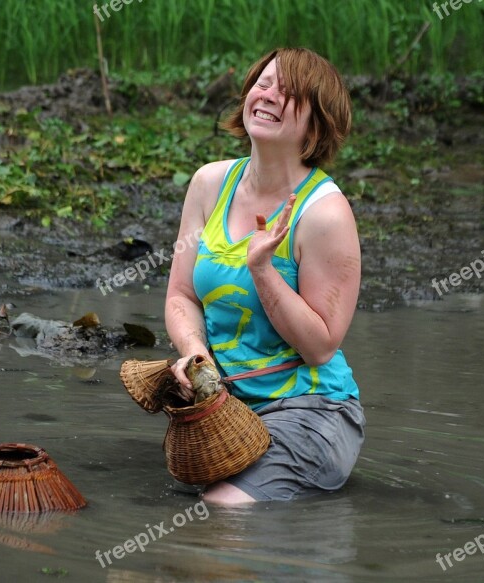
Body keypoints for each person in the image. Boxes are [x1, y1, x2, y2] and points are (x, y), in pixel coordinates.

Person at [164, 48, 365, 504]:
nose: (270, 95)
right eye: (265, 83)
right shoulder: (209, 185)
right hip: (226, 409)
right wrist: (197, 358)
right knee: (182, 497)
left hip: (313, 410)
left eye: (290, 93)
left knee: (221, 509)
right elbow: (181, 295)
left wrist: (262, 270)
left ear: (317, 124)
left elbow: (320, 345)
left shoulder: (326, 214)